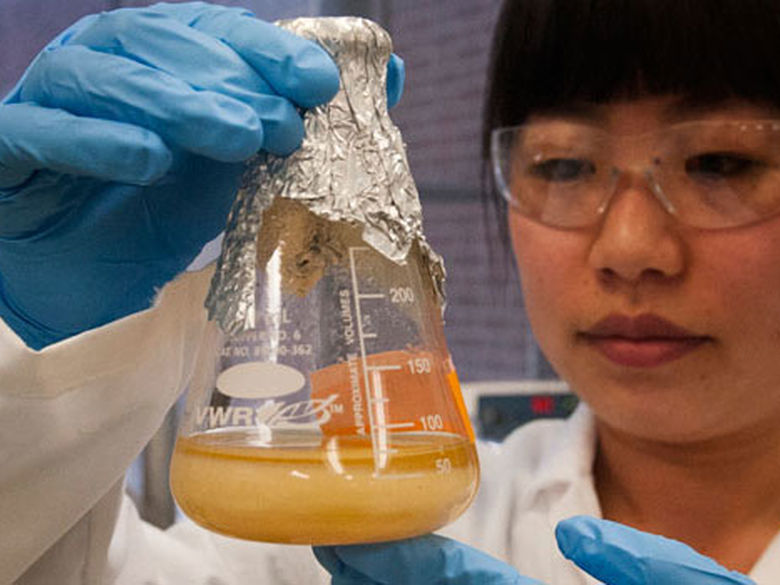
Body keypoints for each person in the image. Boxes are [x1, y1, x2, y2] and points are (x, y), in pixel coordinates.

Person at [0, 1, 776, 585]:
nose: (629, 250)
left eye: (720, 163)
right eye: (566, 165)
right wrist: (26, 341)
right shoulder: (343, 515)